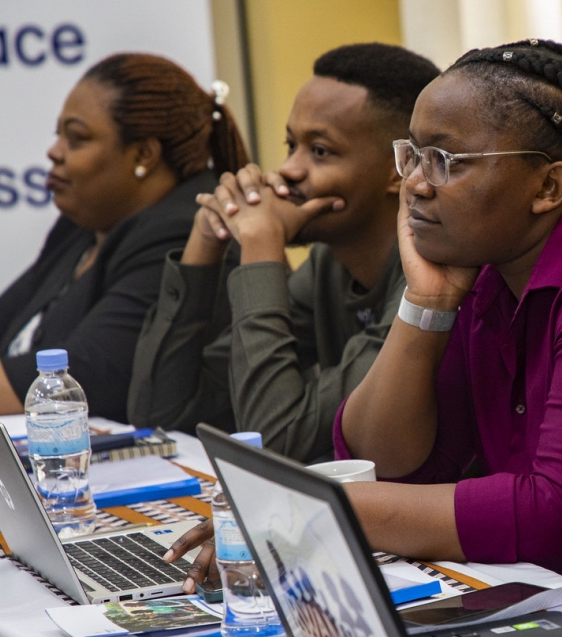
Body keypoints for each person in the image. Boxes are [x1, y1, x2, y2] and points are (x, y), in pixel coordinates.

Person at [165, 38, 562, 589]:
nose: (414, 184)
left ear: (547, 186)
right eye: (412, 155)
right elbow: (384, 464)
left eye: (445, 160)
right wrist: (427, 302)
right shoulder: (486, 266)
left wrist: (309, 508)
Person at [127, 44, 439, 462]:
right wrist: (206, 241)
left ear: (397, 168)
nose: (289, 169)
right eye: (291, 145)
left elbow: (278, 440)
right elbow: (159, 416)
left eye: (320, 151)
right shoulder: (326, 267)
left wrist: (260, 250)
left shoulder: (429, 286)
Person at [0, 53, 247, 422]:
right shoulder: (87, 222)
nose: (54, 152)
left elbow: (81, 377)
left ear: (144, 153)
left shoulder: (185, 230)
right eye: (59, 135)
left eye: (77, 138)